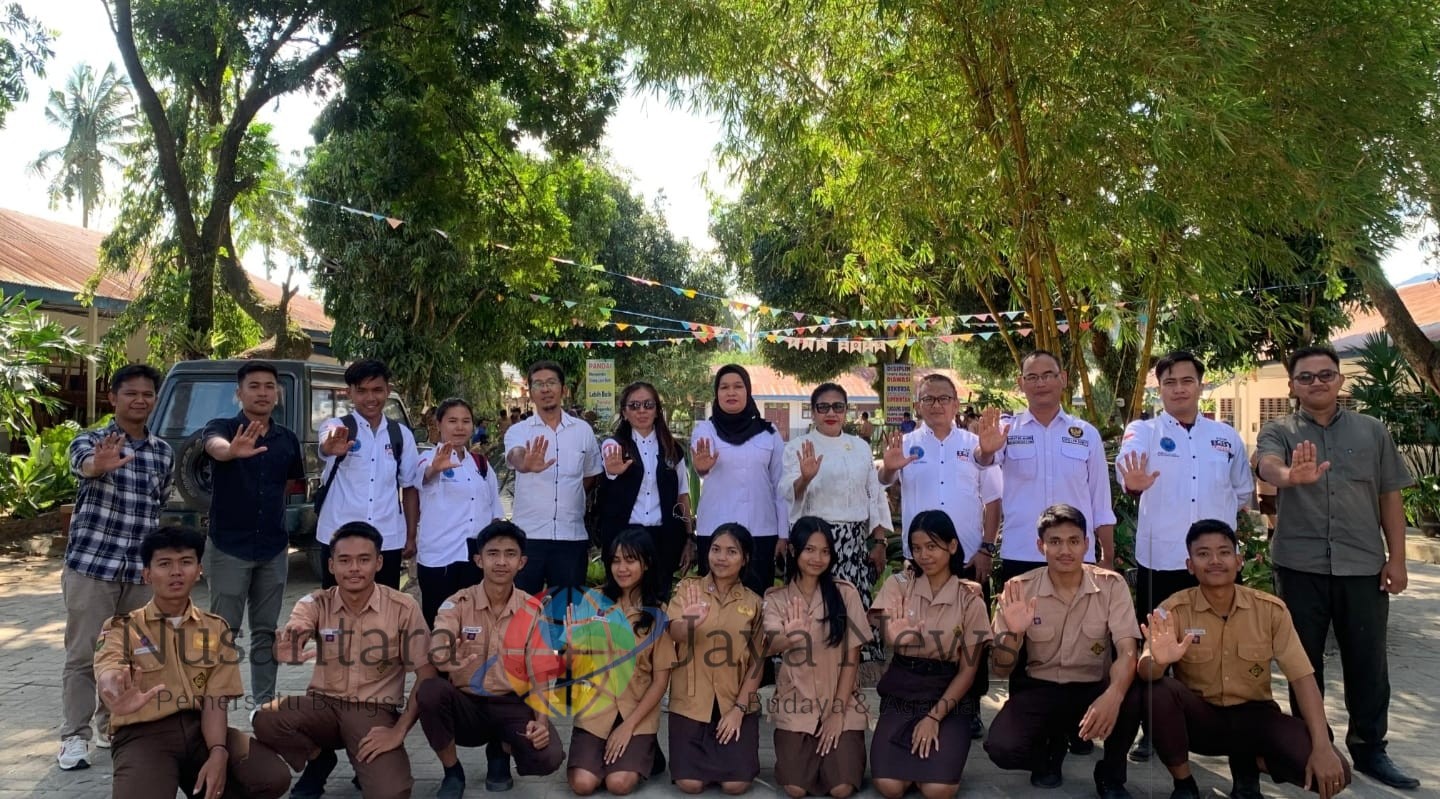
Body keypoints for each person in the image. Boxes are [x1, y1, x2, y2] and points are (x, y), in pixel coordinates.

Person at [1255, 344, 1418, 790]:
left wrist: (1397, 558)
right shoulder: (1279, 430)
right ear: (1292, 386)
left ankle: (1370, 749)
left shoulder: (1372, 432)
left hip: (1362, 565)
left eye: (1326, 374)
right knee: (1301, 662)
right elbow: (1267, 465)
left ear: (1340, 380)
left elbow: (1389, 495)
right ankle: (1313, 745)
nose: (1317, 383)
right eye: (1306, 377)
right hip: (1299, 567)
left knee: (1368, 661)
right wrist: (1289, 476)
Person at [1138, 519, 1351, 799]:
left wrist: (1322, 746)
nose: (1215, 561)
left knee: (1337, 774)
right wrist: (1158, 661)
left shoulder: (1270, 610)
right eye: (1203, 554)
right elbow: (1145, 672)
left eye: (1224, 552)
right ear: (1190, 566)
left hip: (1255, 718)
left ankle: (1250, 763)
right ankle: (1184, 783)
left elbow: (1302, 678)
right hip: (1201, 720)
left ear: (1239, 561)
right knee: (1157, 691)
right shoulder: (1172, 610)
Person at [1115, 351, 1251, 762]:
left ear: (1201, 385)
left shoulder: (1225, 437)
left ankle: (1218, 725)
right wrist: (1133, 482)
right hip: (1162, 560)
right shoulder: (1143, 431)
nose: (1179, 389)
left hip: (1215, 567)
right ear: (1159, 388)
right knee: (1156, 650)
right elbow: (1127, 465)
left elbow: (1242, 493)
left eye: (1187, 380)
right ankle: (1152, 730)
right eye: (1170, 382)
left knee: (1219, 646)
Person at [95, 526, 291, 798]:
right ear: (147, 574)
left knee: (272, 777)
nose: (176, 572)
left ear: (199, 570)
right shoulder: (122, 627)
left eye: (185, 562)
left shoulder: (215, 628)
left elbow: (215, 700)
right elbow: (108, 668)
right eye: (164, 564)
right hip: (143, 734)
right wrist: (114, 689)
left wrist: (218, 752)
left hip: (199, 730)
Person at [254, 521, 436, 799]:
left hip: (373, 712)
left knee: (391, 793)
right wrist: (292, 642)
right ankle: (319, 759)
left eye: (363, 560)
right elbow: (299, 624)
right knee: (266, 718)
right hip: (322, 708)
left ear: (379, 562)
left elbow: (426, 674)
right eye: (344, 560)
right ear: (331, 566)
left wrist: (399, 731)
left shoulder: (403, 608)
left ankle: (362, 760)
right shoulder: (316, 602)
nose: (354, 568)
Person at [59, 363, 173, 769]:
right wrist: (98, 464)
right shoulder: (91, 440)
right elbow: (83, 464)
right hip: (92, 568)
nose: (140, 400)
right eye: (131, 393)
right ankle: (74, 737)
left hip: (138, 574)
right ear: (113, 398)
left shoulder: (162, 452)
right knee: (83, 655)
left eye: (147, 394)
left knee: (131, 655)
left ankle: (114, 725)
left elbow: (158, 505)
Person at [985, 504, 1144, 798]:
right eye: (1055, 542)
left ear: (1086, 544)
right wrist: (1014, 634)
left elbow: (1127, 651)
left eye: (1073, 541)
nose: (1065, 550)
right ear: (1040, 546)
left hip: (1092, 687)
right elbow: (1000, 668)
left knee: (1132, 694)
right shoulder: (1019, 589)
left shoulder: (1111, 586)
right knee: (1002, 749)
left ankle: (1111, 776)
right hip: (1041, 688)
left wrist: (1113, 695)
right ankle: (1049, 750)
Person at [879, 373, 1002, 738]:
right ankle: (915, 702)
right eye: (928, 399)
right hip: (920, 561)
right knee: (917, 633)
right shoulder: (905, 444)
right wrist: (889, 467)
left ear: (955, 404)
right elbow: (884, 480)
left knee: (970, 638)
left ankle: (971, 707)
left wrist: (987, 547)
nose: (936, 405)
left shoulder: (977, 445)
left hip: (967, 558)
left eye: (943, 398)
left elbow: (993, 500)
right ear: (918, 405)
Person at [417, 520, 565, 799]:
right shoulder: (457, 603)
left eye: (510, 554)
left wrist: (542, 722)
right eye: (493, 554)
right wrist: (447, 657)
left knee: (547, 757)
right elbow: (439, 643)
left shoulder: (532, 610)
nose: (501, 562)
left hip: (511, 702)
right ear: (478, 560)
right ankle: (452, 771)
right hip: (466, 704)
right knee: (430, 692)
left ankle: (500, 748)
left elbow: (540, 672)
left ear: (521, 562)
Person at [201, 360, 306, 706]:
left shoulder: (287, 439)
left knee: (266, 631)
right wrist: (231, 451)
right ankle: (215, 705)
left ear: (278, 393)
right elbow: (213, 445)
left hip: (273, 548)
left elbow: (290, 484)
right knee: (223, 631)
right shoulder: (222, 427)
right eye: (254, 386)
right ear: (239, 393)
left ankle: (263, 706)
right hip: (228, 546)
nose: (262, 392)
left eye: (269, 386)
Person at [867, 511, 990, 799]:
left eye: (932, 546)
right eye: (917, 548)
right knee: (890, 786)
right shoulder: (899, 585)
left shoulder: (969, 599)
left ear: (952, 546)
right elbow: (889, 634)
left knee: (938, 789)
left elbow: (968, 671)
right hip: (903, 687)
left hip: (948, 695)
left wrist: (934, 717)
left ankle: (934, 758)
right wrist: (894, 637)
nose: (924, 555)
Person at [973, 350, 1117, 580]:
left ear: (1063, 378)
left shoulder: (1087, 434)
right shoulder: (1007, 430)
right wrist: (986, 450)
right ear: (1021, 383)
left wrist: (1107, 557)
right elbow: (983, 460)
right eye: (1032, 377)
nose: (1040, 383)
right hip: (1022, 553)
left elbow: (1100, 502)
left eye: (1048, 375)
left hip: (1076, 555)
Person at [763, 517, 871, 798]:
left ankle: (838, 756)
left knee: (842, 788)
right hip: (796, 703)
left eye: (825, 551)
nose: (817, 558)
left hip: (840, 701)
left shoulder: (845, 594)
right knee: (795, 789)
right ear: (793, 550)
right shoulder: (777, 598)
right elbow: (771, 644)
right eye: (809, 550)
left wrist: (837, 712)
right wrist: (791, 636)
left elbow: (852, 658)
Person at [783, 383, 891, 661]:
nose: (830, 413)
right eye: (823, 407)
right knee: (812, 613)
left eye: (837, 407)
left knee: (851, 612)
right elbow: (788, 495)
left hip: (853, 543)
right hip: (813, 543)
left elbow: (874, 495)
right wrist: (805, 477)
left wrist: (879, 541)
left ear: (846, 411)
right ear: (813, 412)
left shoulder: (860, 447)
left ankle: (854, 674)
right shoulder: (797, 447)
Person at [568, 528, 675, 796]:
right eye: (615, 560)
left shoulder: (658, 612)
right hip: (595, 710)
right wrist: (571, 647)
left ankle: (644, 749)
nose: (622, 568)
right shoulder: (592, 600)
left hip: (636, 712)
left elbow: (660, 681)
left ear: (646, 564)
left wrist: (628, 727)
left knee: (618, 784)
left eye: (630, 560)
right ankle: (623, 755)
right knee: (583, 784)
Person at [663, 523, 766, 794]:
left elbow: (757, 663)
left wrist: (739, 710)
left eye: (732, 552)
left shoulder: (754, 603)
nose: (721, 557)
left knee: (736, 785)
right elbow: (674, 632)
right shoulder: (688, 589)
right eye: (716, 549)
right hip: (691, 702)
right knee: (689, 784)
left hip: (733, 701)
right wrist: (690, 622)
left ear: (745, 558)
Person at [316, 358, 421, 590]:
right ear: (349, 393)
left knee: (385, 605)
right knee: (336, 606)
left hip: (387, 538)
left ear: (388, 391)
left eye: (377, 390)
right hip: (338, 537)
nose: (370, 398)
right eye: (362, 391)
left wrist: (411, 536)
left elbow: (409, 487)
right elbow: (325, 443)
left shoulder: (401, 435)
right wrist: (329, 447)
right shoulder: (337, 428)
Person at [504, 361, 602, 596]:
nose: (545, 389)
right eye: (538, 384)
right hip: (528, 538)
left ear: (563, 390)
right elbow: (515, 454)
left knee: (567, 610)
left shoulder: (583, 431)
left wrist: (572, 496)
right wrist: (525, 464)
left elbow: (591, 475)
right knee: (523, 609)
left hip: (571, 536)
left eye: (551, 383)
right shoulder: (519, 430)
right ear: (531, 393)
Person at [690, 365, 788, 597]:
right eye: (724, 387)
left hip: (761, 532)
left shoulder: (769, 433)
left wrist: (783, 533)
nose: (731, 392)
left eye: (738, 386)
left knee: (756, 599)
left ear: (748, 391)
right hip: (715, 532)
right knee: (713, 601)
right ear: (717, 394)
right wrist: (702, 468)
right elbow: (701, 464)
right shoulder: (705, 430)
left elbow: (780, 486)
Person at [597, 381, 693, 599]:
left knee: (658, 601)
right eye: (634, 405)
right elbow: (608, 463)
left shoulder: (673, 449)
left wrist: (689, 537)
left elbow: (682, 496)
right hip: (623, 538)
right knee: (622, 602)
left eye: (648, 405)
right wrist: (612, 471)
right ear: (624, 412)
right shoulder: (614, 446)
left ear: (657, 410)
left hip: (663, 539)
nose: (642, 411)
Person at [416, 398, 503, 626]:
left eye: (466, 421)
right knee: (439, 623)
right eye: (452, 421)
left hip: (475, 557)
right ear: (439, 424)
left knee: (473, 623)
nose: (460, 427)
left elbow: (495, 510)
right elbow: (424, 477)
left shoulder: (481, 464)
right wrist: (435, 469)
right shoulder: (426, 458)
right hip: (440, 557)